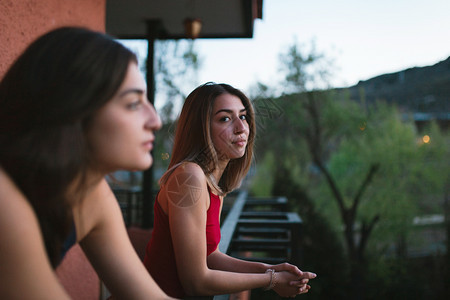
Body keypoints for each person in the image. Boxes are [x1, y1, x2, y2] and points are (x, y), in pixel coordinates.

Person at [0, 27, 175, 299]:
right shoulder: (4, 197)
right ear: (72, 111)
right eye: (132, 103)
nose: (155, 120)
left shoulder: (90, 193)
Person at [144, 82, 317, 299]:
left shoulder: (213, 183)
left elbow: (209, 255)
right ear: (201, 129)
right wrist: (271, 280)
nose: (241, 127)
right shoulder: (189, 177)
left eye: (243, 116)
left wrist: (268, 269)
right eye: (225, 118)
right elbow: (195, 282)